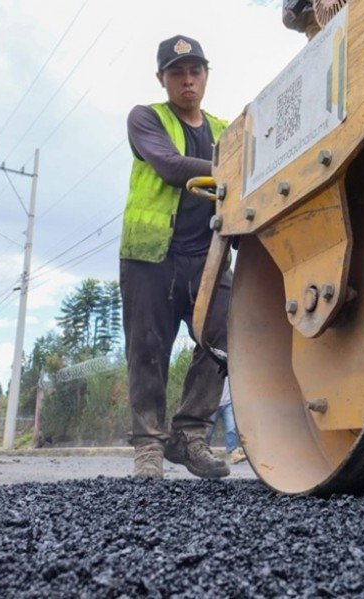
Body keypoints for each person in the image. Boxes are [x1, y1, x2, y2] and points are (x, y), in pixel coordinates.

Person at [120, 35, 232, 479]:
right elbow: (168, 165)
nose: (187, 80)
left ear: (206, 75)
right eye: (177, 73)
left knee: (223, 341)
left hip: (209, 257)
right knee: (147, 349)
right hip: (151, 256)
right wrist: (238, 168)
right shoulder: (146, 118)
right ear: (161, 78)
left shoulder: (226, 131)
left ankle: (188, 436)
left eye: (195, 71)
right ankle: (148, 443)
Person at [205, 378, 247, 464]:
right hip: (214, 403)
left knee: (231, 428)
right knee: (208, 430)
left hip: (228, 403)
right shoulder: (214, 369)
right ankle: (204, 451)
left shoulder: (230, 370)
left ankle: (234, 454)